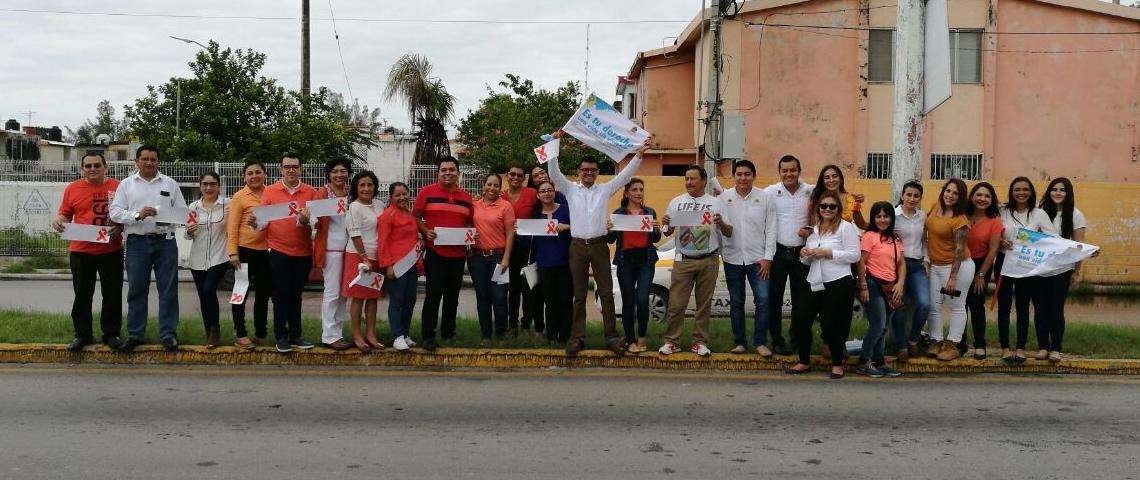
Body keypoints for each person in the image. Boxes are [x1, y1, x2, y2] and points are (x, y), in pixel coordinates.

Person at [547, 133, 646, 356]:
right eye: (585, 170)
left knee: (606, 293)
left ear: (597, 172)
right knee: (579, 294)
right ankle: (577, 336)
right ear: (579, 171)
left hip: (600, 246)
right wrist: (555, 143)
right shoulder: (570, 189)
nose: (588, 173)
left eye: (592, 170)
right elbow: (554, 172)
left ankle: (611, 336)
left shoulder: (604, 190)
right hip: (577, 246)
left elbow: (624, 177)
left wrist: (639, 155)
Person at [109, 145, 186, 352]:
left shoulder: (170, 184)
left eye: (153, 159)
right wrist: (137, 215)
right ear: (137, 161)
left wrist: (164, 216)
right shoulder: (126, 185)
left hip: (165, 242)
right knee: (136, 290)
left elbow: (182, 213)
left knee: (168, 290)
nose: (149, 163)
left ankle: (168, 334)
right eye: (145, 159)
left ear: (158, 161)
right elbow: (115, 212)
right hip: (137, 243)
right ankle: (135, 334)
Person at [52, 152, 123, 352]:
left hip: (111, 250)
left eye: (96, 165)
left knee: (112, 295)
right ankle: (82, 335)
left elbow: (125, 215)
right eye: (88, 166)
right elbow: (65, 214)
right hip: (81, 251)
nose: (92, 169)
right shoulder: (72, 188)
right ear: (82, 168)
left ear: (105, 167)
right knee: (82, 295)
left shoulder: (118, 187)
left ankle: (111, 334)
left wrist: (121, 227)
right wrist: (59, 221)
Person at [658, 165, 731, 357]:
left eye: (693, 178)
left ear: (704, 180)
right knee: (676, 304)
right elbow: (667, 232)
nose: (689, 182)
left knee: (703, 304)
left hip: (709, 260)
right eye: (686, 179)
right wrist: (666, 222)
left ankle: (699, 342)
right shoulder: (676, 203)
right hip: (683, 260)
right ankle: (672, 342)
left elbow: (729, 231)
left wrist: (720, 222)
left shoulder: (716, 203)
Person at [787, 190, 860, 378]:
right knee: (801, 320)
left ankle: (837, 363)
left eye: (832, 206)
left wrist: (830, 253)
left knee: (831, 323)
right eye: (824, 206)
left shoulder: (846, 227)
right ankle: (804, 361)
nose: (827, 209)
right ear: (818, 209)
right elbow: (811, 259)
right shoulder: (816, 229)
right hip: (814, 279)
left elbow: (855, 255)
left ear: (838, 209)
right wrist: (804, 254)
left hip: (838, 280)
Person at [716, 160, 777, 357]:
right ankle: (740, 342)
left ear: (754, 175)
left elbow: (771, 229)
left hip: (758, 260)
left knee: (763, 301)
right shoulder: (724, 198)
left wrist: (768, 258)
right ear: (734, 176)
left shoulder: (765, 198)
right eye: (739, 174)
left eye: (747, 174)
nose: (743, 178)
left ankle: (760, 342)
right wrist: (722, 251)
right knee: (736, 302)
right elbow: (722, 229)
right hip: (732, 259)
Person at [257, 154, 317, 353]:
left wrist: (309, 220)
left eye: (295, 166)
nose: (291, 170)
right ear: (281, 170)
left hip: (303, 253)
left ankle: (296, 335)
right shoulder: (271, 192)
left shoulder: (311, 192)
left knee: (296, 295)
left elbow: (317, 223)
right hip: (278, 251)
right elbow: (262, 221)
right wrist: (254, 223)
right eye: (287, 167)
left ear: (301, 169)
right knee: (281, 295)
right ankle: (281, 336)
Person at [414, 156, 474, 352]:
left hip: (457, 255)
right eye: (444, 170)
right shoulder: (426, 192)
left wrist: (471, 235)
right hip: (435, 253)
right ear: (438, 173)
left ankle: (449, 332)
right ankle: (428, 335)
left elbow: (469, 223)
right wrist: (425, 231)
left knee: (452, 297)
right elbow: (415, 216)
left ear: (458, 172)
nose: (448, 173)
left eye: (451, 169)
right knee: (433, 296)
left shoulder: (466, 198)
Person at [763, 155, 814, 356]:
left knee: (800, 301)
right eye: (784, 170)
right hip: (777, 252)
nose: (788, 174)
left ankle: (796, 339)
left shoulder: (810, 191)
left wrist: (811, 231)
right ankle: (776, 340)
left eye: (792, 170)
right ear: (780, 172)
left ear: (799, 171)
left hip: (802, 254)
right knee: (773, 300)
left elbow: (827, 212)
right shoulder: (770, 192)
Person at [1035, 177, 1089, 362]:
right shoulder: (1039, 212)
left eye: (1062, 190)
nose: (1058, 193)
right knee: (1040, 309)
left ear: (1068, 194)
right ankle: (1043, 347)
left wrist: (1077, 271)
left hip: (1062, 270)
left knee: (1056, 310)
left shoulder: (1075, 214)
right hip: (1038, 269)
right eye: (1054, 189)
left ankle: (1056, 348)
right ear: (1049, 192)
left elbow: (1079, 245)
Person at [996, 177, 1050, 362]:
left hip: (1026, 264)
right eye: (1017, 189)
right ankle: (1004, 347)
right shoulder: (1002, 211)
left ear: (1031, 192)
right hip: (1004, 260)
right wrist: (1000, 241)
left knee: (1023, 306)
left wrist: (1079, 249)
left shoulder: (1039, 214)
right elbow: (992, 232)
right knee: (1004, 306)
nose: (1021, 193)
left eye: (1025, 189)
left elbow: (1052, 238)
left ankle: (1020, 347)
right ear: (1011, 192)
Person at [605, 178, 661, 353]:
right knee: (628, 301)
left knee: (643, 299)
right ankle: (630, 340)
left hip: (645, 260)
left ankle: (642, 336)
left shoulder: (649, 212)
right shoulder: (619, 213)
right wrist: (608, 229)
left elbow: (655, 239)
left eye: (641, 189)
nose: (638, 193)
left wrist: (656, 229)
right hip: (625, 261)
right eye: (635, 189)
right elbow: (611, 239)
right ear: (627, 193)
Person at [924, 178, 975, 362]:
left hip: (957, 267)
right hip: (935, 266)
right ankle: (936, 340)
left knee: (956, 307)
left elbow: (959, 250)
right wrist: (927, 260)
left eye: (955, 193)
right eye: (948, 191)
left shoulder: (960, 220)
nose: (950, 195)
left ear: (960, 198)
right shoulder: (935, 206)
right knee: (933, 305)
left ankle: (953, 344)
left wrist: (953, 278)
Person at [855, 201, 905, 378]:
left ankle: (879, 361)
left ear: (892, 218)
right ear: (873, 218)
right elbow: (861, 263)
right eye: (878, 216)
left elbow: (901, 263)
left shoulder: (895, 238)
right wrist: (863, 287)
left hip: (891, 287)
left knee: (884, 327)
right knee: (877, 324)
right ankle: (863, 361)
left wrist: (900, 284)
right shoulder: (869, 236)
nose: (882, 220)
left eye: (886, 216)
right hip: (873, 284)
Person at [226, 160, 272, 349]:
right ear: (244, 177)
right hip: (244, 251)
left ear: (265, 174)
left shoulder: (271, 194)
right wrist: (233, 253)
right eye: (250, 173)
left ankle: (261, 333)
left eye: (258, 172)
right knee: (240, 293)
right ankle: (240, 333)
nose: (254, 176)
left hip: (267, 251)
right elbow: (232, 227)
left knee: (263, 294)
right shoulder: (239, 197)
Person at [185, 172, 230, 349]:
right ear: (200, 186)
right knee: (203, 296)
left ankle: (215, 330)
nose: (209, 188)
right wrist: (189, 232)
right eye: (205, 184)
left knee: (209, 289)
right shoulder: (193, 207)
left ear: (219, 186)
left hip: (220, 256)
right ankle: (208, 331)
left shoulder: (228, 204)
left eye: (212, 184)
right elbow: (188, 235)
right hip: (197, 259)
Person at [469, 173, 516, 340]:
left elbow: (511, 234)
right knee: (482, 297)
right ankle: (486, 335)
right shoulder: (474, 205)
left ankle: (501, 334)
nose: (492, 188)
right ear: (483, 186)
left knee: (499, 297)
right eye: (489, 184)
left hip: (498, 257)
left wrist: (506, 259)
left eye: (496, 185)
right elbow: (467, 226)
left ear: (500, 188)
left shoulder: (506, 206)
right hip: (477, 258)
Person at [312, 158, 353, 351]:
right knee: (332, 293)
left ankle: (337, 333)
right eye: (335, 171)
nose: (339, 175)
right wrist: (309, 219)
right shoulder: (323, 193)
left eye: (343, 171)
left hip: (350, 249)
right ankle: (328, 335)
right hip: (331, 249)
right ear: (329, 174)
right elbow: (314, 219)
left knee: (343, 294)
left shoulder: (350, 192)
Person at [342, 170, 385, 352]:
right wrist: (364, 258)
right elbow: (355, 233)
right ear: (356, 188)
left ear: (375, 187)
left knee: (373, 298)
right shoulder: (354, 207)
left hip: (377, 257)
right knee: (358, 298)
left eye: (370, 184)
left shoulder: (380, 205)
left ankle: (371, 334)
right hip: (358, 257)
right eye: (362, 185)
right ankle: (358, 336)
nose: (366, 188)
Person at [961, 182, 1003, 360]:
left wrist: (981, 275)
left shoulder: (994, 222)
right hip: (960, 263)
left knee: (976, 304)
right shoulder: (962, 216)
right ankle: (958, 343)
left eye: (987, 196)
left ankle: (979, 345)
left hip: (981, 265)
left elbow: (993, 250)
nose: (982, 199)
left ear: (991, 200)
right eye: (979, 195)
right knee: (959, 305)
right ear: (971, 197)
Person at [529, 181, 573, 343]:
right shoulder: (534, 215)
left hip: (565, 263)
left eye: (550, 190)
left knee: (566, 300)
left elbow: (579, 229)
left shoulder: (566, 210)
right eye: (543, 191)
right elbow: (527, 241)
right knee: (550, 301)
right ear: (538, 195)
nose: (547, 193)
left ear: (554, 192)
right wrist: (519, 230)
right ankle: (552, 334)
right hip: (544, 264)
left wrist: (567, 227)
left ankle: (566, 335)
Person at [377, 182, 419, 351]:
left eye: (404, 194)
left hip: (411, 265)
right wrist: (388, 266)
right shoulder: (388, 215)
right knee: (397, 301)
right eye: (398, 195)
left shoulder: (409, 213)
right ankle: (396, 336)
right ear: (391, 197)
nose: (402, 198)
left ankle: (405, 333)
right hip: (396, 266)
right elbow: (382, 242)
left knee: (410, 300)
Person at [893, 181, 930, 362]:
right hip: (896, 266)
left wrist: (927, 260)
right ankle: (901, 346)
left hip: (917, 266)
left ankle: (913, 339)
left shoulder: (922, 216)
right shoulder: (893, 215)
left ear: (920, 198)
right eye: (909, 195)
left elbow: (924, 240)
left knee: (924, 304)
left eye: (916, 196)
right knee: (897, 306)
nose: (912, 198)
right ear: (902, 195)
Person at [504, 164, 540, 337]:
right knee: (512, 289)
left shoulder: (532, 194)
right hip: (508, 249)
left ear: (524, 178)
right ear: (507, 176)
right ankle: (512, 325)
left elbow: (542, 213)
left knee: (528, 289)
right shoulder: (501, 196)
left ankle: (526, 325)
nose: (516, 177)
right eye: (513, 174)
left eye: (519, 175)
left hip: (529, 249)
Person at [808, 164, 867, 229]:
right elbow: (813, 226)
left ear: (841, 179)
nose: (831, 180)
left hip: (846, 237)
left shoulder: (850, 199)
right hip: (824, 238)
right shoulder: (817, 199)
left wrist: (877, 224)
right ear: (823, 182)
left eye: (834, 176)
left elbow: (861, 224)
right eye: (827, 178)